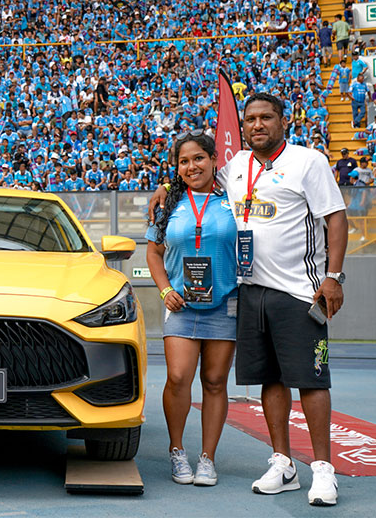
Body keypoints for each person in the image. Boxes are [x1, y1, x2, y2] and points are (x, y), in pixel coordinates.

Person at [148, 92, 348, 506]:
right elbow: (192, 173)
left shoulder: (308, 162)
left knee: (310, 380)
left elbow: (336, 217)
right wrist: (164, 187)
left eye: (266, 117)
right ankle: (283, 463)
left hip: (299, 290)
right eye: (250, 119)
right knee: (269, 381)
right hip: (251, 291)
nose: (257, 125)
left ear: (283, 120)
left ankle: (324, 470)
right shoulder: (236, 167)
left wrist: (332, 276)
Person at [146, 131, 237, 487]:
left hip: (225, 303)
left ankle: (207, 458)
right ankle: (177, 450)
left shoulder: (234, 197)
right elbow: (153, 252)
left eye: (198, 158)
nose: (192, 166)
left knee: (215, 382)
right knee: (179, 377)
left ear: (214, 160)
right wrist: (165, 288)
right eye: (184, 161)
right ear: (177, 168)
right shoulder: (168, 203)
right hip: (181, 304)